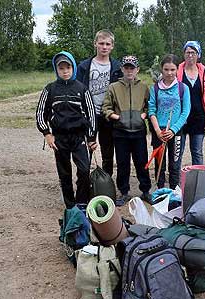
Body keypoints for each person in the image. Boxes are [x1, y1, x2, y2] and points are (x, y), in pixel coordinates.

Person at [36, 51, 97, 208]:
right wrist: (47, 134)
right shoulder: (49, 90)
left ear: (73, 68)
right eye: (61, 68)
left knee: (84, 170)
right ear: (56, 69)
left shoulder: (82, 89)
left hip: (79, 137)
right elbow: (40, 114)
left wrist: (91, 139)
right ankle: (70, 205)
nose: (65, 71)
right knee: (64, 174)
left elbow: (91, 115)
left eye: (68, 67)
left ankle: (82, 202)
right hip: (59, 138)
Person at [102, 55, 152, 206]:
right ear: (122, 69)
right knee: (123, 163)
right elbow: (105, 107)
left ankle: (145, 191)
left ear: (137, 69)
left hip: (138, 132)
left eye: (132, 68)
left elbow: (150, 106)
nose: (129, 71)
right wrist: (117, 117)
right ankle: (124, 192)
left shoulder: (143, 87)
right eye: (127, 68)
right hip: (120, 132)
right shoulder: (113, 87)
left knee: (142, 162)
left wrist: (143, 115)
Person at [77, 29, 122, 176]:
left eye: (107, 44)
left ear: (112, 46)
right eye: (101, 43)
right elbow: (77, 89)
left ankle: (105, 182)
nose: (104, 47)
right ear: (95, 44)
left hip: (108, 115)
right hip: (89, 114)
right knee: (87, 150)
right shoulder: (84, 66)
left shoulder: (117, 67)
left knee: (108, 152)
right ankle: (84, 183)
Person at [149, 54, 191, 189]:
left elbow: (185, 112)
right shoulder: (155, 88)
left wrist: (173, 130)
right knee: (159, 163)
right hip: (159, 132)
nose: (169, 73)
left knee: (175, 163)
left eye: (173, 69)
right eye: (166, 69)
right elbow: (151, 111)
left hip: (176, 132)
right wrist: (157, 131)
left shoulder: (183, 88)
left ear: (178, 69)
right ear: (162, 69)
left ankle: (174, 190)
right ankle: (160, 189)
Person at [177, 41, 205, 165]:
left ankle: (198, 179)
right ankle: (176, 179)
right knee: (178, 151)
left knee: (197, 151)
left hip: (199, 116)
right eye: (188, 52)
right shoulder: (177, 71)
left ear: (198, 55)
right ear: (184, 54)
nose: (190, 55)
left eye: (193, 52)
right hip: (180, 118)